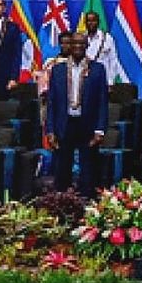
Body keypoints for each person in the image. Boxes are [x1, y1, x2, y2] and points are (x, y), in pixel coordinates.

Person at [44, 33, 110, 196]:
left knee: (88, 170)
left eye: (82, 44)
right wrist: (50, 130)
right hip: (64, 123)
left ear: (87, 46)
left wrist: (100, 129)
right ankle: (61, 204)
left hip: (87, 124)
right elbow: (51, 102)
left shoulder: (98, 69)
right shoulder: (58, 70)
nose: (78, 47)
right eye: (75, 43)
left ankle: (87, 205)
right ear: (69, 46)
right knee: (62, 169)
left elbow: (103, 101)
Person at [82, 11, 121, 85]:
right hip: (85, 79)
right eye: (88, 20)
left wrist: (110, 81)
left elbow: (113, 60)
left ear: (98, 22)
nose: (91, 23)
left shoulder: (107, 38)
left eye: (93, 20)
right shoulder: (81, 38)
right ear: (85, 22)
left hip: (103, 79)